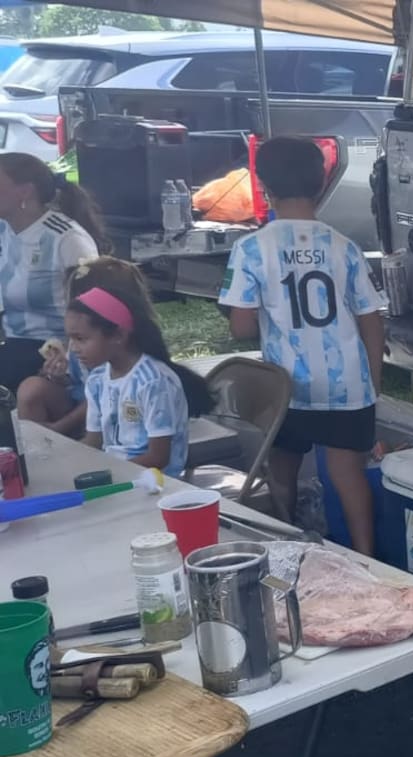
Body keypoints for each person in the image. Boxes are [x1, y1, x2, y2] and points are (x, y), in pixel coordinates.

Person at [219, 135, 386, 556]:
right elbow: (371, 320)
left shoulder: (251, 248)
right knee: (348, 476)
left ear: (264, 186)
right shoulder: (344, 246)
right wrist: (373, 385)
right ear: (322, 183)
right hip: (347, 382)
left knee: (282, 473)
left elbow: (240, 326)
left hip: (287, 385)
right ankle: (367, 558)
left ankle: (286, 551)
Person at [68, 279, 213, 477]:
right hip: (118, 474)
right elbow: (94, 441)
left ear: (118, 335)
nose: (73, 348)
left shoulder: (153, 381)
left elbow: (158, 458)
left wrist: (106, 475)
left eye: (81, 339)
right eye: (71, 339)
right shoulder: (97, 379)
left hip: (155, 482)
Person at [0, 152, 108, 391]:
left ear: (24, 191)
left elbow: (95, 310)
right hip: (14, 343)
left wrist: (69, 361)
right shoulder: (4, 230)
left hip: (55, 350)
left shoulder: (66, 238)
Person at [17, 257, 153, 437]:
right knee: (31, 388)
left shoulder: (121, 346)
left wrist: (58, 427)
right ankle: (35, 454)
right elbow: (78, 381)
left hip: (115, 412)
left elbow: (102, 394)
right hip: (82, 407)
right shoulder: (85, 337)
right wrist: (59, 377)